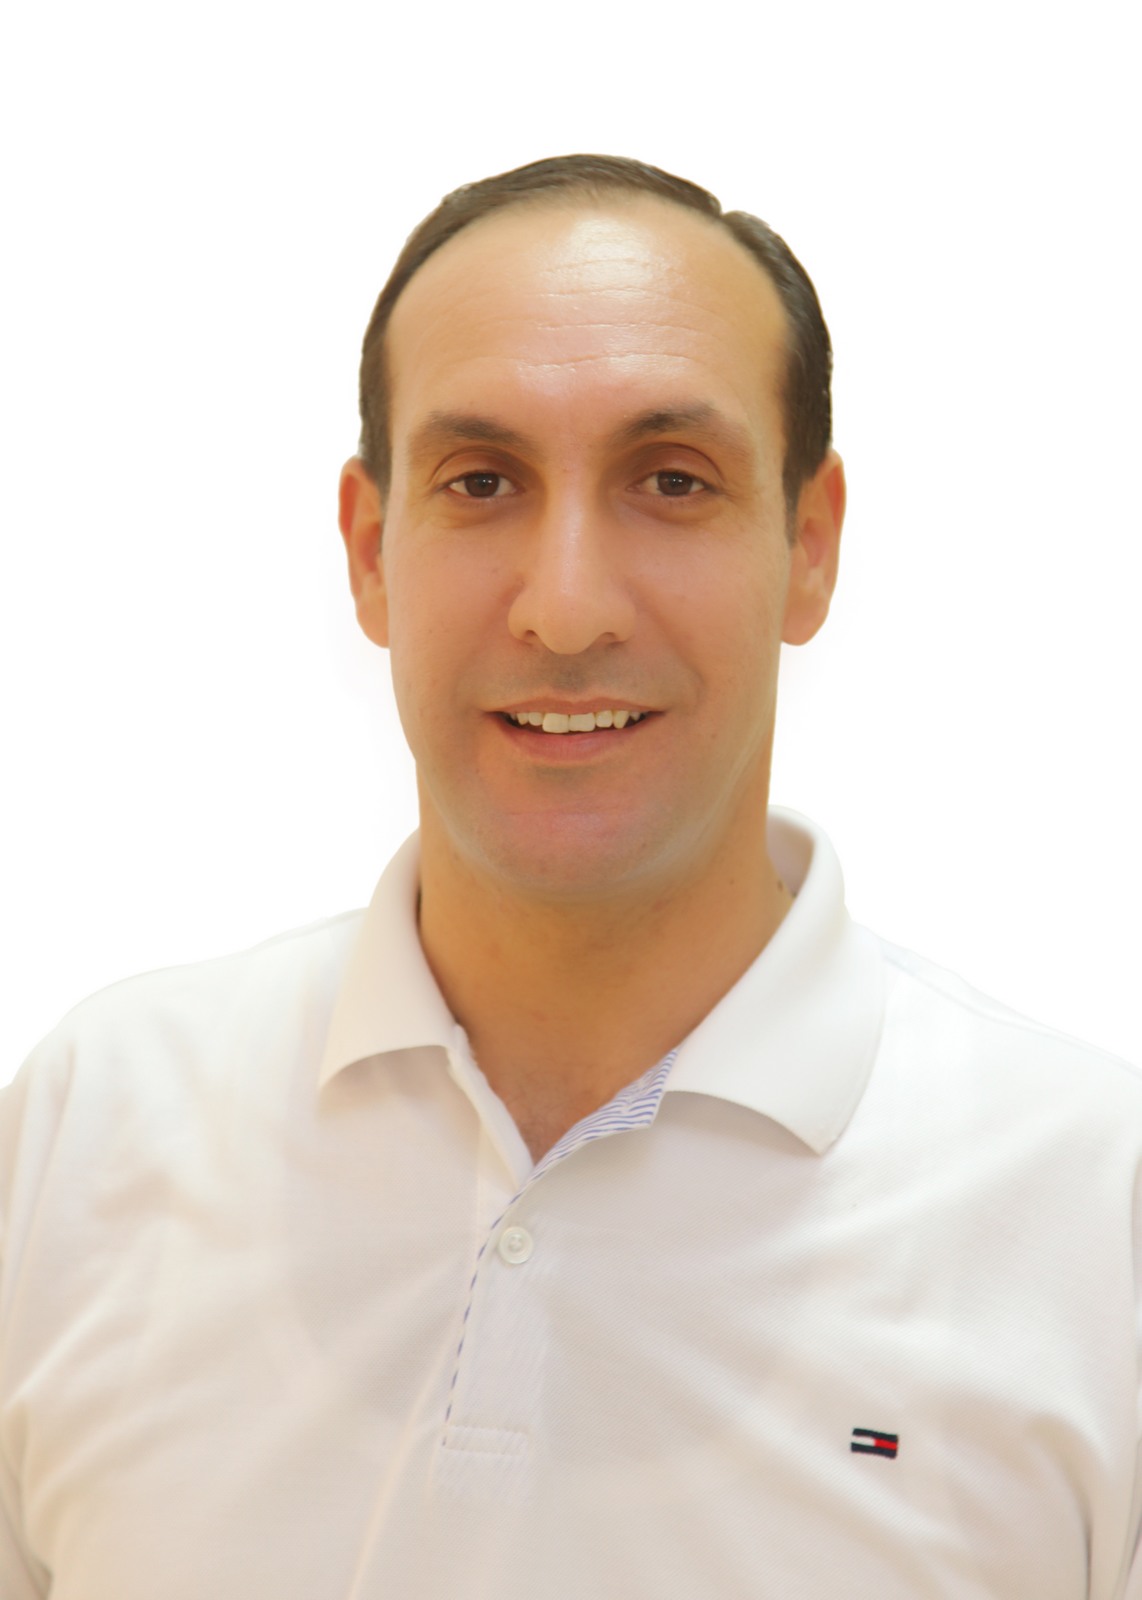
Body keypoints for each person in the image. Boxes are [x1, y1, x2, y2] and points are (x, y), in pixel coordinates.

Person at [1, 154, 1139, 1599]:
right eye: (481, 483)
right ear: (370, 552)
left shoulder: (1094, 1210)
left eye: (672, 482)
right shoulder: (90, 1127)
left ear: (808, 544)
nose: (568, 608)